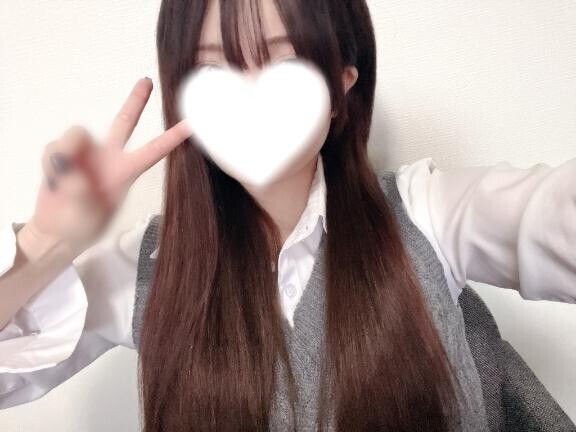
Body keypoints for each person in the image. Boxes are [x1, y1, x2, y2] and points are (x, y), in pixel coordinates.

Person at [1, 0, 575, 430]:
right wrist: (47, 243)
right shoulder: (148, 266)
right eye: (213, 69)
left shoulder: (428, 214)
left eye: (284, 60)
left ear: (342, 85)